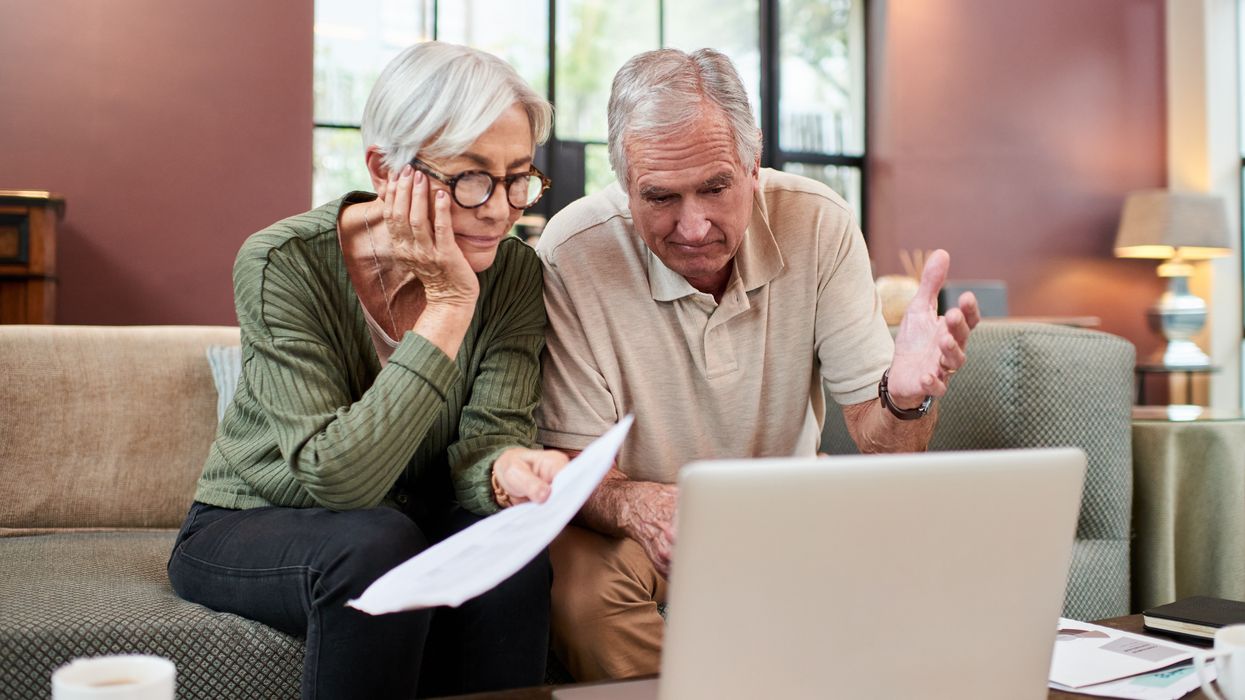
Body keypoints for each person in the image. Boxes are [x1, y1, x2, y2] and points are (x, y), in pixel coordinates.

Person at [534, 47, 981, 681]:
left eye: (715, 188)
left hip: (786, 501)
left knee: (926, 563)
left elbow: (886, 447)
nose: (693, 227)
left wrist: (905, 398)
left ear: (753, 162)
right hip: (635, 525)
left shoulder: (819, 221)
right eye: (660, 197)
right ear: (624, 182)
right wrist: (644, 508)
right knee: (581, 596)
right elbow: (576, 468)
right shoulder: (571, 252)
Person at [167, 42, 567, 699]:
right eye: (471, 178)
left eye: (519, 176)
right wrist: (448, 304)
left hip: (412, 516)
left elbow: (485, 442)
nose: (501, 209)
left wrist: (505, 471)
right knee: (376, 543)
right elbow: (335, 476)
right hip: (254, 520)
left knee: (511, 552)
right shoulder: (282, 262)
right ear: (384, 168)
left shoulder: (516, 271)